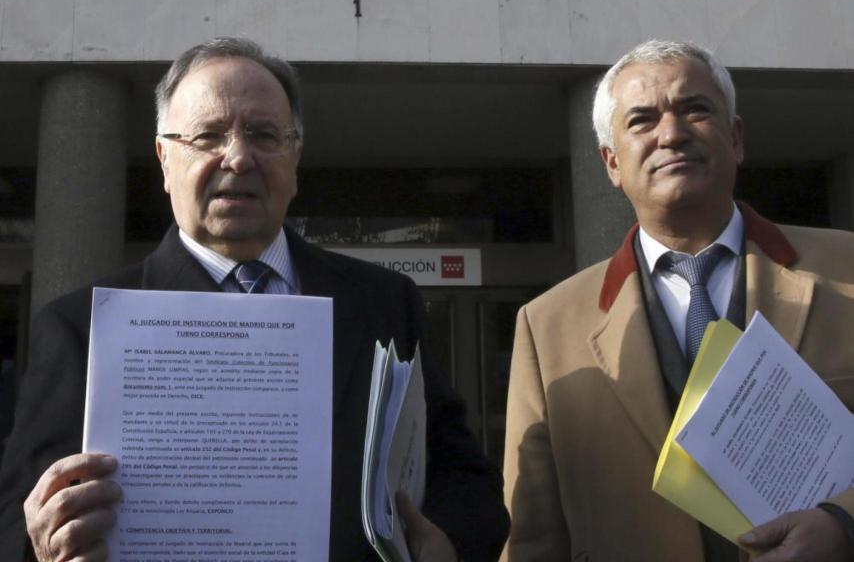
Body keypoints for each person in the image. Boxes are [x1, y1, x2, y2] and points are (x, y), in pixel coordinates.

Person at [0, 37, 509, 562]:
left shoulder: (383, 303)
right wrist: (41, 540)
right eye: (208, 136)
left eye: (264, 135)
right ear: (164, 158)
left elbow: (462, 476)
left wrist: (446, 541)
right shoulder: (80, 328)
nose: (238, 158)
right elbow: (14, 516)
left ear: (295, 158)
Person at [502, 39, 854, 561]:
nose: (671, 133)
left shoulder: (846, 270)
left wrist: (844, 525)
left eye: (695, 109)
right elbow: (533, 535)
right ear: (611, 164)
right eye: (641, 120)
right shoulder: (547, 324)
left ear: (735, 139)